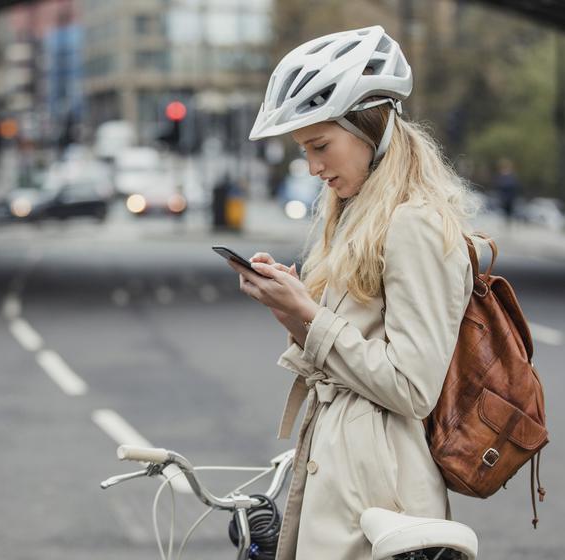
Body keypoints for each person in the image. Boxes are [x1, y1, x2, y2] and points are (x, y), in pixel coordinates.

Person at [225, 26, 480, 560]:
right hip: (344, 474)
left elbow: (413, 387)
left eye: (321, 146)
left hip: (380, 496)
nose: (314, 167)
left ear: (371, 126)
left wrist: (309, 318)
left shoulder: (415, 224)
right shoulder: (362, 215)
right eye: (305, 151)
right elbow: (352, 346)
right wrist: (293, 308)